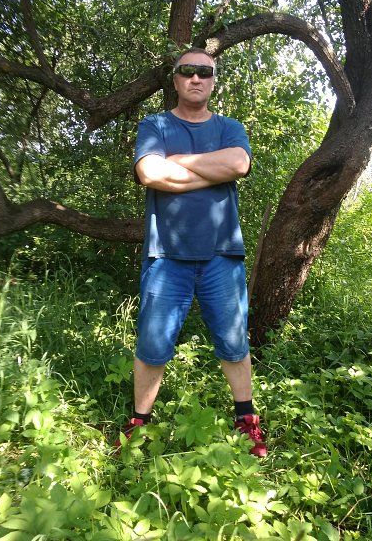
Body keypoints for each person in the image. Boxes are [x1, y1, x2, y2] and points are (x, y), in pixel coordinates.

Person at [122, 47, 266, 457]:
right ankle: (139, 425)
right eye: (187, 71)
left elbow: (238, 165)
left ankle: (246, 420)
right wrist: (210, 172)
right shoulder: (155, 124)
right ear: (176, 79)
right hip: (166, 256)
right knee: (152, 347)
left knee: (234, 344)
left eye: (205, 72)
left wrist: (180, 162)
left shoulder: (229, 127)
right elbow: (150, 172)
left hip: (223, 254)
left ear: (214, 81)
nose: (196, 78)